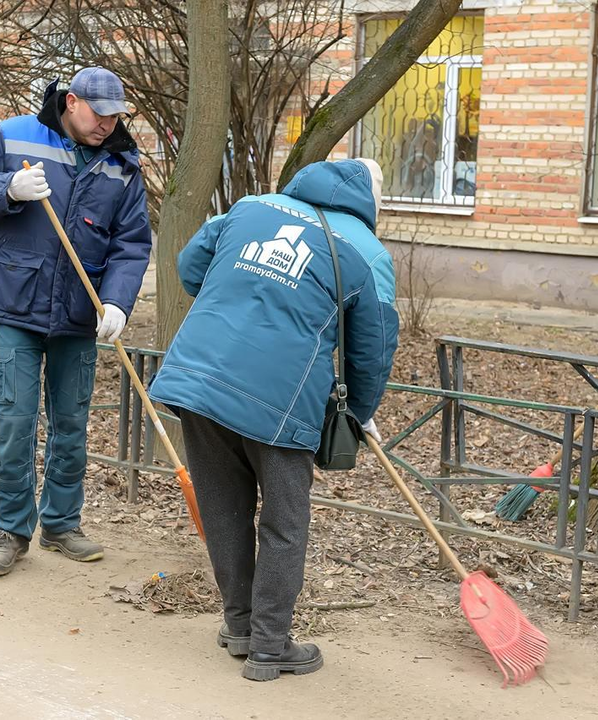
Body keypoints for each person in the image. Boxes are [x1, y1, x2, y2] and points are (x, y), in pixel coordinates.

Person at [149, 158, 398, 680]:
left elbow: (191, 267)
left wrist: (243, 300)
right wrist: (361, 413)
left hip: (201, 377)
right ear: (372, 203)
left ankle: (240, 627)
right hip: (280, 400)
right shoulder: (368, 253)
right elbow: (371, 350)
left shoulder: (250, 207)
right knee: (284, 521)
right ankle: (269, 645)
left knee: (222, 507)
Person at [0, 67, 151, 576]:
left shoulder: (122, 165)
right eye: (99, 115)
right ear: (72, 102)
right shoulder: (15, 136)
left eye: (115, 116)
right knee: (15, 420)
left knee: (72, 423)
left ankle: (61, 524)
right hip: (16, 302)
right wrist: (7, 188)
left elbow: (131, 243)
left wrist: (119, 302)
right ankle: (11, 530)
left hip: (80, 313)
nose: (107, 125)